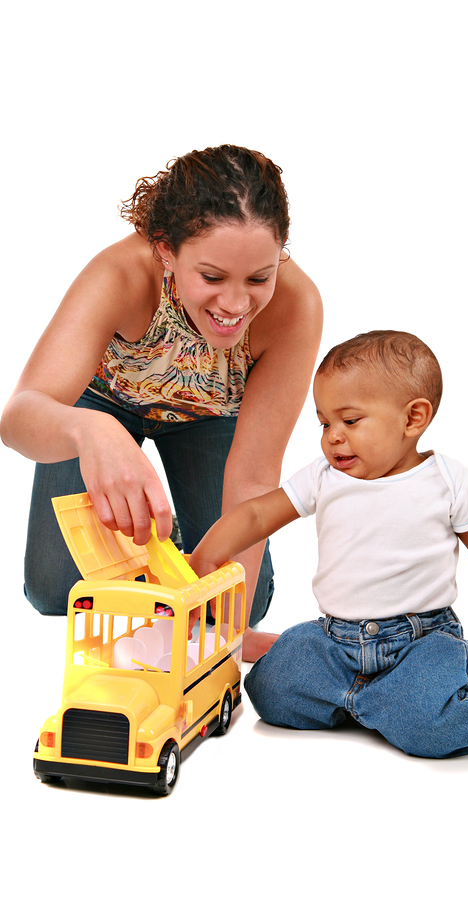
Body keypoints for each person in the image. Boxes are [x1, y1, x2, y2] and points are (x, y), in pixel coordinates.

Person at [189, 330, 468, 758]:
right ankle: (385, 703)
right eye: (324, 423)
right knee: (270, 691)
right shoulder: (323, 476)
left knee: (430, 731)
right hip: (336, 639)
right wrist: (208, 553)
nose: (332, 436)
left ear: (413, 418)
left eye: (350, 421)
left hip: (421, 640)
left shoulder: (447, 480)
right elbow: (257, 514)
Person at [0, 145, 323, 662]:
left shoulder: (296, 307)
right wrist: (91, 431)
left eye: (259, 278)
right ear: (166, 251)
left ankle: (164, 567)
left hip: (209, 416)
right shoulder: (120, 275)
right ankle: (157, 562)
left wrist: (229, 631)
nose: (235, 304)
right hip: (102, 405)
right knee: (56, 590)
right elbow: (18, 416)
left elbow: (254, 475)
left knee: (240, 602)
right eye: (212, 277)